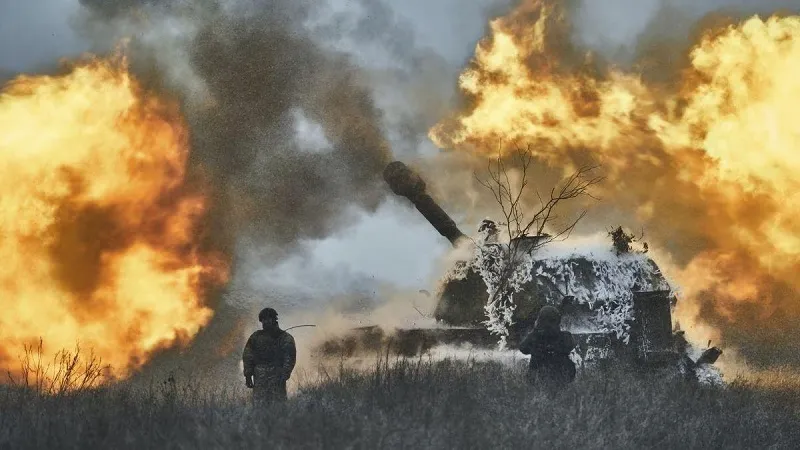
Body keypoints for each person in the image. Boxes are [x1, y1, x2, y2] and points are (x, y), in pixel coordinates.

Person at [242, 307, 296, 403]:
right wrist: (248, 375)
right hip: (259, 378)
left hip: (277, 377)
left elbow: (290, 357)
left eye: (267, 319)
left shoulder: (285, 338)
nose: (265, 322)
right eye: (263, 320)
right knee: (259, 406)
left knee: (278, 406)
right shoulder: (256, 337)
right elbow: (248, 356)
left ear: (274, 319)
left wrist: (285, 374)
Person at [519, 305, 576, 390]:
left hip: (539, 377)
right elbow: (571, 346)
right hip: (560, 377)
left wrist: (535, 331)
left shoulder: (535, 336)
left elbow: (523, 348)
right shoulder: (565, 336)